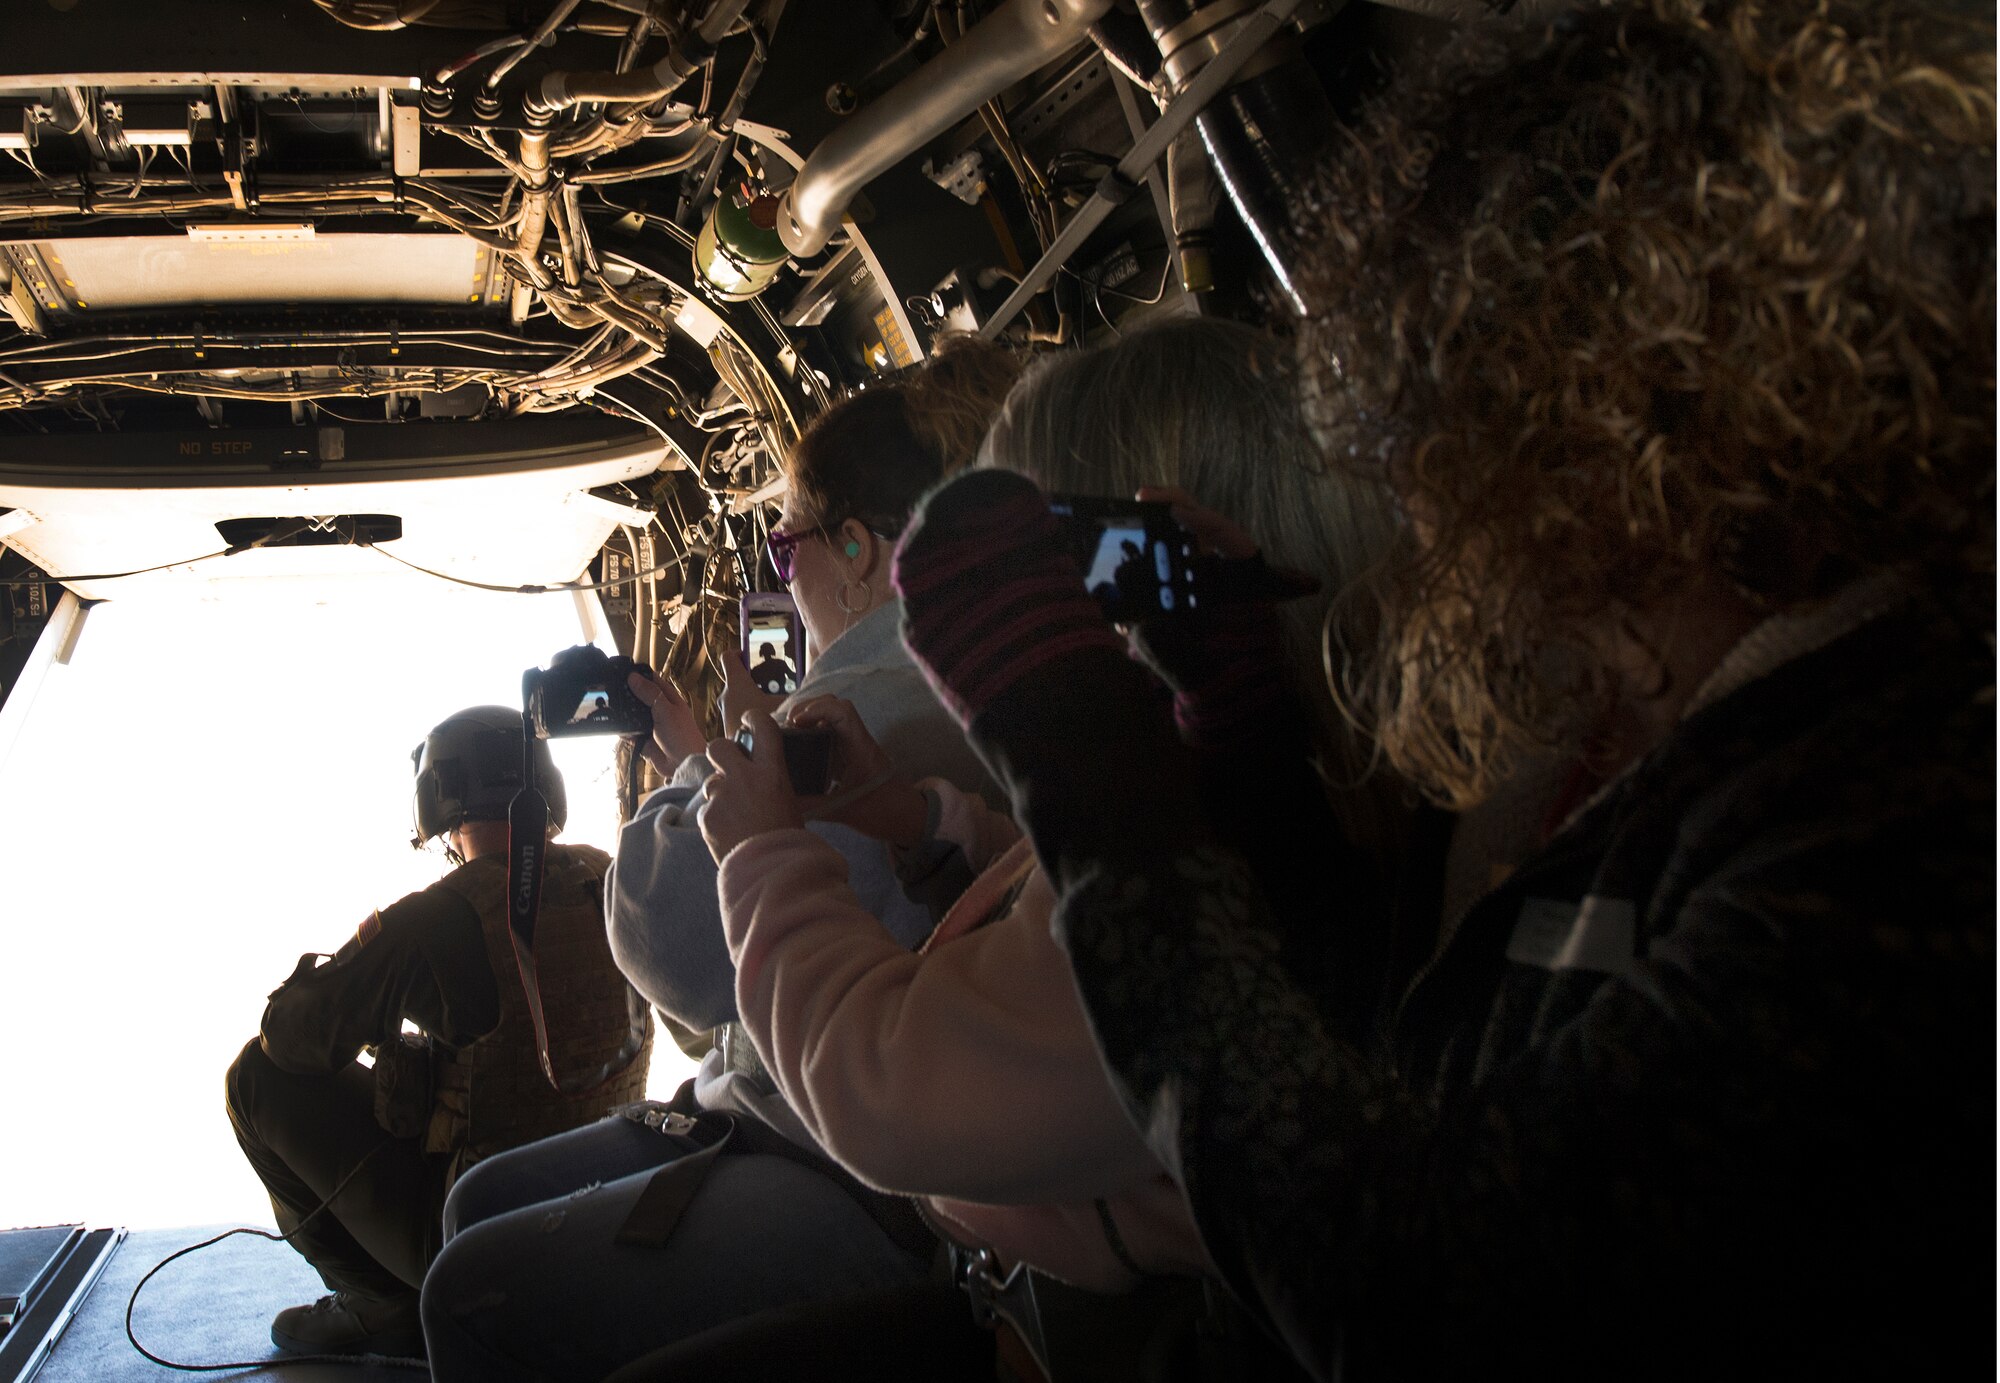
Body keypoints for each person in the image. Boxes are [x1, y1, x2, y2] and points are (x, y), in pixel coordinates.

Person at [884, 2, 1995, 1378]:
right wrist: (1244, 740)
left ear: (1599, 441)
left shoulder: (1903, 848)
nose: (1429, 521)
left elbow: (1423, 1296)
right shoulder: (1729, 732)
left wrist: (1087, 769)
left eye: (1450, 453)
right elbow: (1392, 1054)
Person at [697, 320, 1402, 1322]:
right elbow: (1064, 891)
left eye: (1045, 558)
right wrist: (925, 820)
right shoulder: (1254, 782)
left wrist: (762, 853)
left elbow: (883, 1091)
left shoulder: (1192, 888)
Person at [418, 338, 1020, 1383]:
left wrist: (709, 765)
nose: (788, 580)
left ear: (858, 550)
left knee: (469, 1290)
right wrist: (706, 755)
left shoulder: (853, 711)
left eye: (788, 552)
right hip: (787, 1108)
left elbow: (671, 955)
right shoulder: (976, 669)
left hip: (848, 1167)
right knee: (479, 1203)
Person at [224, 706, 650, 1358]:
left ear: (440, 803)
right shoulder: (614, 878)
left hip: (481, 1238)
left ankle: (381, 1307)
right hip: (608, 1209)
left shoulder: (442, 916)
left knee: (254, 1079)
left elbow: (290, 1040)